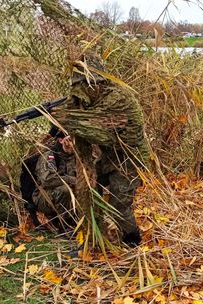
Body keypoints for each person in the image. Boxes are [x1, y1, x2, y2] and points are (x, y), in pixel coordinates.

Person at [54, 54, 148, 246]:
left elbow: (101, 134)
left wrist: (70, 119)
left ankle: (131, 241)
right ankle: (97, 233)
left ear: (97, 83)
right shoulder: (93, 97)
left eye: (86, 86)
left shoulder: (118, 99)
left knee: (119, 203)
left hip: (130, 158)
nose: (84, 91)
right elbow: (79, 115)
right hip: (110, 156)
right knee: (89, 188)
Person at [29, 131, 77, 233]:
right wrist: (72, 180)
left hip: (70, 197)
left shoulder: (77, 156)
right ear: (61, 140)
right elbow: (47, 180)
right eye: (69, 140)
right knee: (64, 190)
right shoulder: (50, 156)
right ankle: (65, 225)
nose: (73, 144)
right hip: (45, 197)